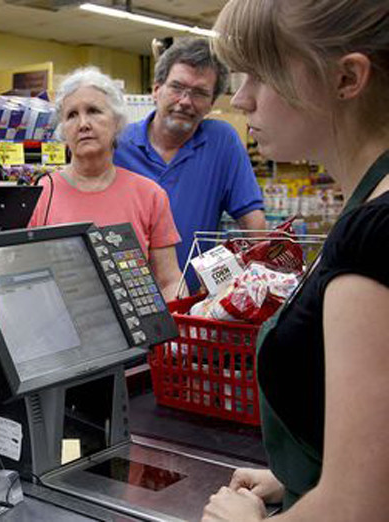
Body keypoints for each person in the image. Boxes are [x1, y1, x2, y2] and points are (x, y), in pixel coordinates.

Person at [202, 1, 389, 520]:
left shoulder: (374, 238)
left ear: (347, 78)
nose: (241, 99)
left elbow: (359, 510)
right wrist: (302, 474)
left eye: (261, 74)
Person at [113, 37, 266, 290]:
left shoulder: (221, 142)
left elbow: (254, 224)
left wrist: (257, 284)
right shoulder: (118, 145)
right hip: (124, 298)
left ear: (211, 104)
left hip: (190, 306)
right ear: (156, 89)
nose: (185, 101)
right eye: (177, 87)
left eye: (199, 93)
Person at [29, 66, 183, 300]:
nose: (83, 124)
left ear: (117, 121)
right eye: (71, 115)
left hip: (135, 331)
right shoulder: (41, 193)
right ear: (62, 131)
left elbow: (169, 281)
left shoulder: (150, 195)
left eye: (93, 111)